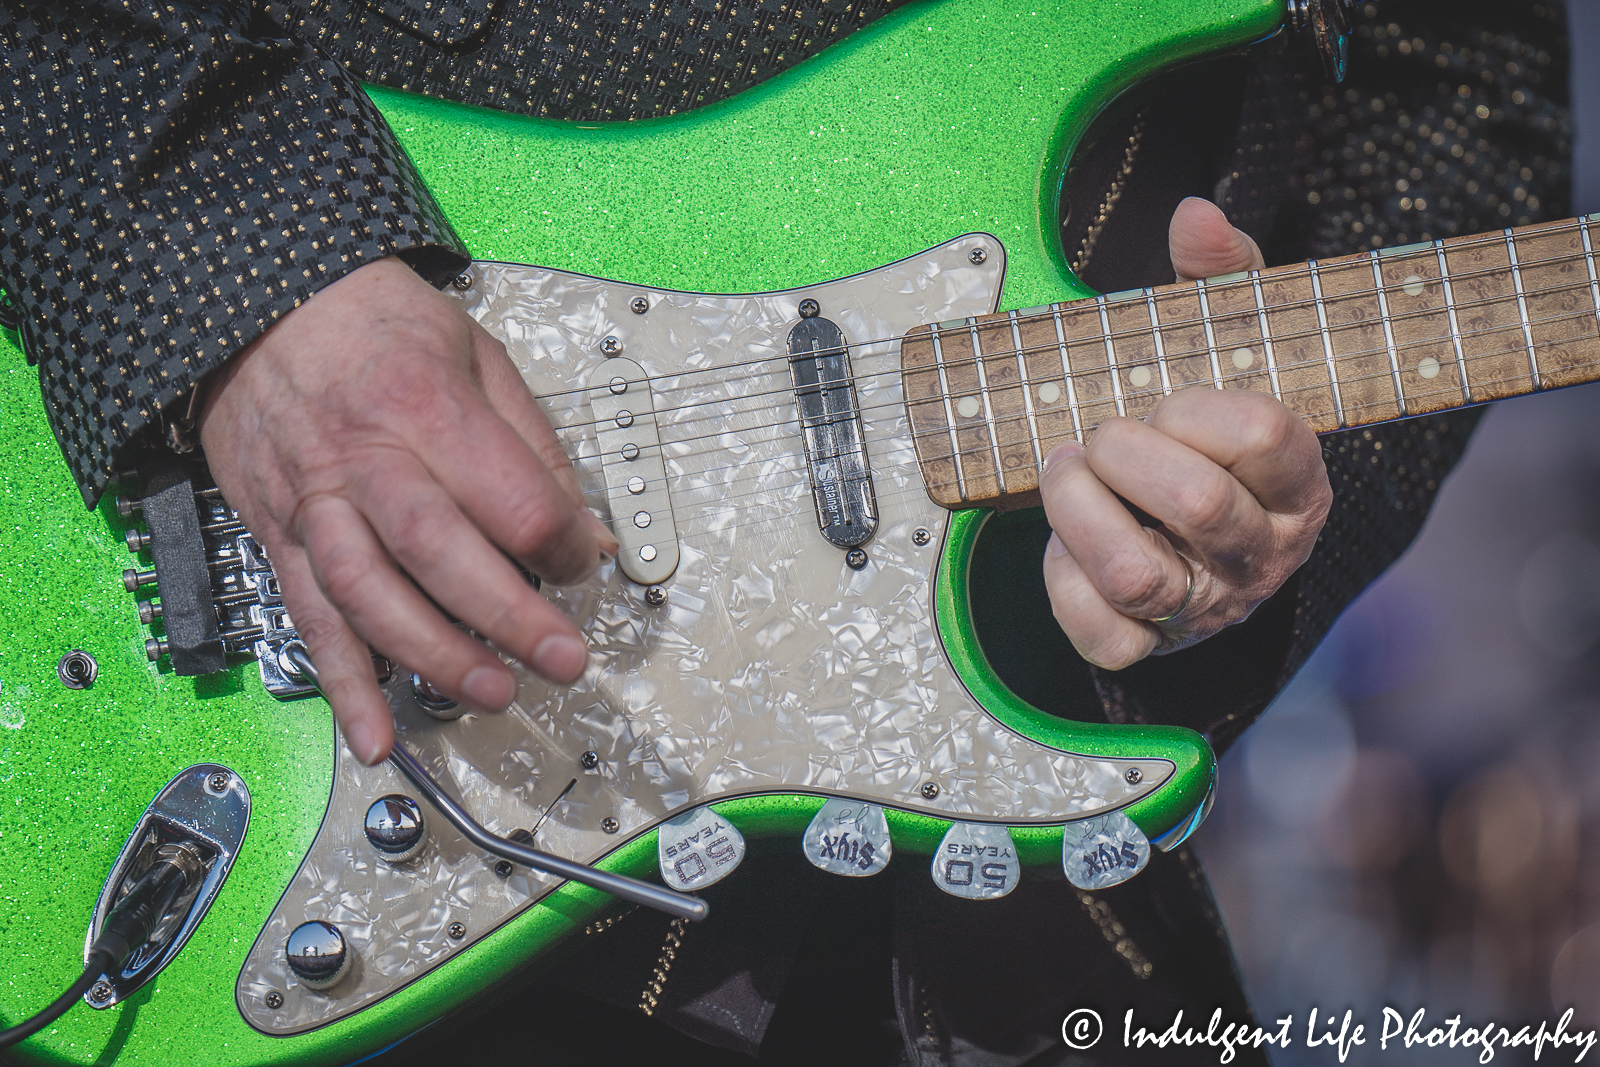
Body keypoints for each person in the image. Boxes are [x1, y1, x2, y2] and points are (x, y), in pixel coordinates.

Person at [0, 0, 1570, 1063]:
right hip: (221, 389)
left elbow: (1464, 96)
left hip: (968, 871)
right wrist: (236, 277)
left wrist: (1243, 538)